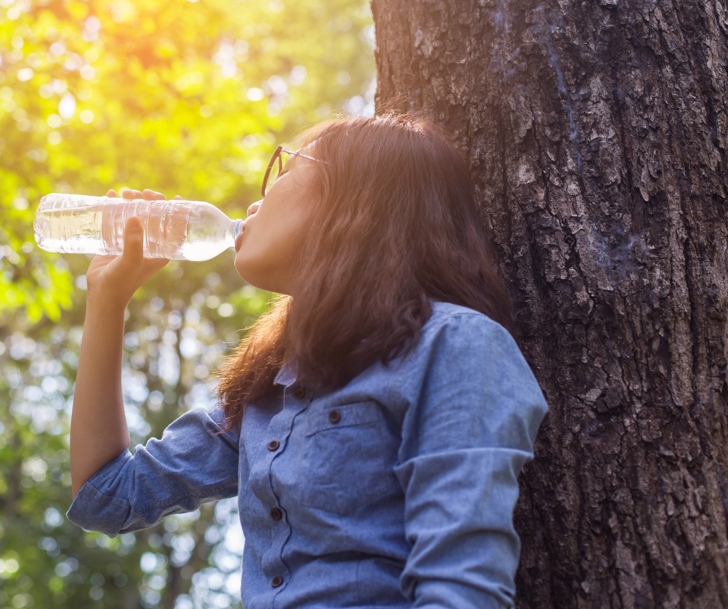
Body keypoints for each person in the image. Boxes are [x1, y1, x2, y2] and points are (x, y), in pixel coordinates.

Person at [66, 113, 548, 608]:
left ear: (357, 195)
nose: (256, 200)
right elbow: (108, 496)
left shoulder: (456, 344)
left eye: (284, 168)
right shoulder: (270, 386)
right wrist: (107, 299)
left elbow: (461, 589)